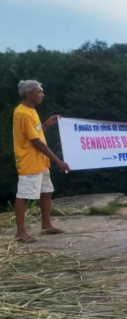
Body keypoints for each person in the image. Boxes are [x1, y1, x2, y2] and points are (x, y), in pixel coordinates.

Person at [13, 80, 70, 243]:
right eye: (39, 92)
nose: (42, 94)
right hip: (29, 160)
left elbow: (35, 134)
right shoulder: (22, 113)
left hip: (40, 161)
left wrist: (46, 124)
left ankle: (46, 225)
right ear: (28, 94)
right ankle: (20, 232)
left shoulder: (31, 111)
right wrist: (58, 160)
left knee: (46, 191)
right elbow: (36, 142)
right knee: (24, 195)